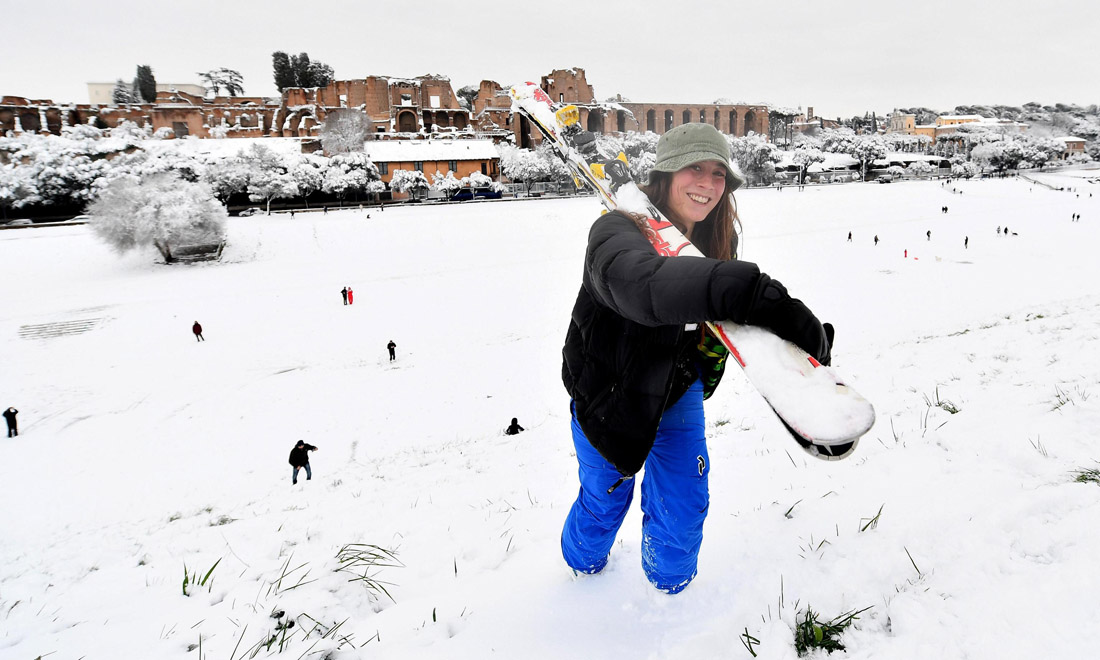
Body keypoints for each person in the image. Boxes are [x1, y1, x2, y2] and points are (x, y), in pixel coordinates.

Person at [559, 123, 832, 595]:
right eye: (695, 168)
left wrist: (777, 339)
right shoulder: (616, 230)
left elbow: (714, 323)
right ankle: (581, 570)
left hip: (676, 388)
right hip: (608, 393)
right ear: (666, 172)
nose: (708, 184)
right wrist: (752, 293)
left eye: (719, 173)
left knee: (684, 505)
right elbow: (642, 285)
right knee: (606, 499)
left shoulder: (715, 244)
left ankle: (670, 589)